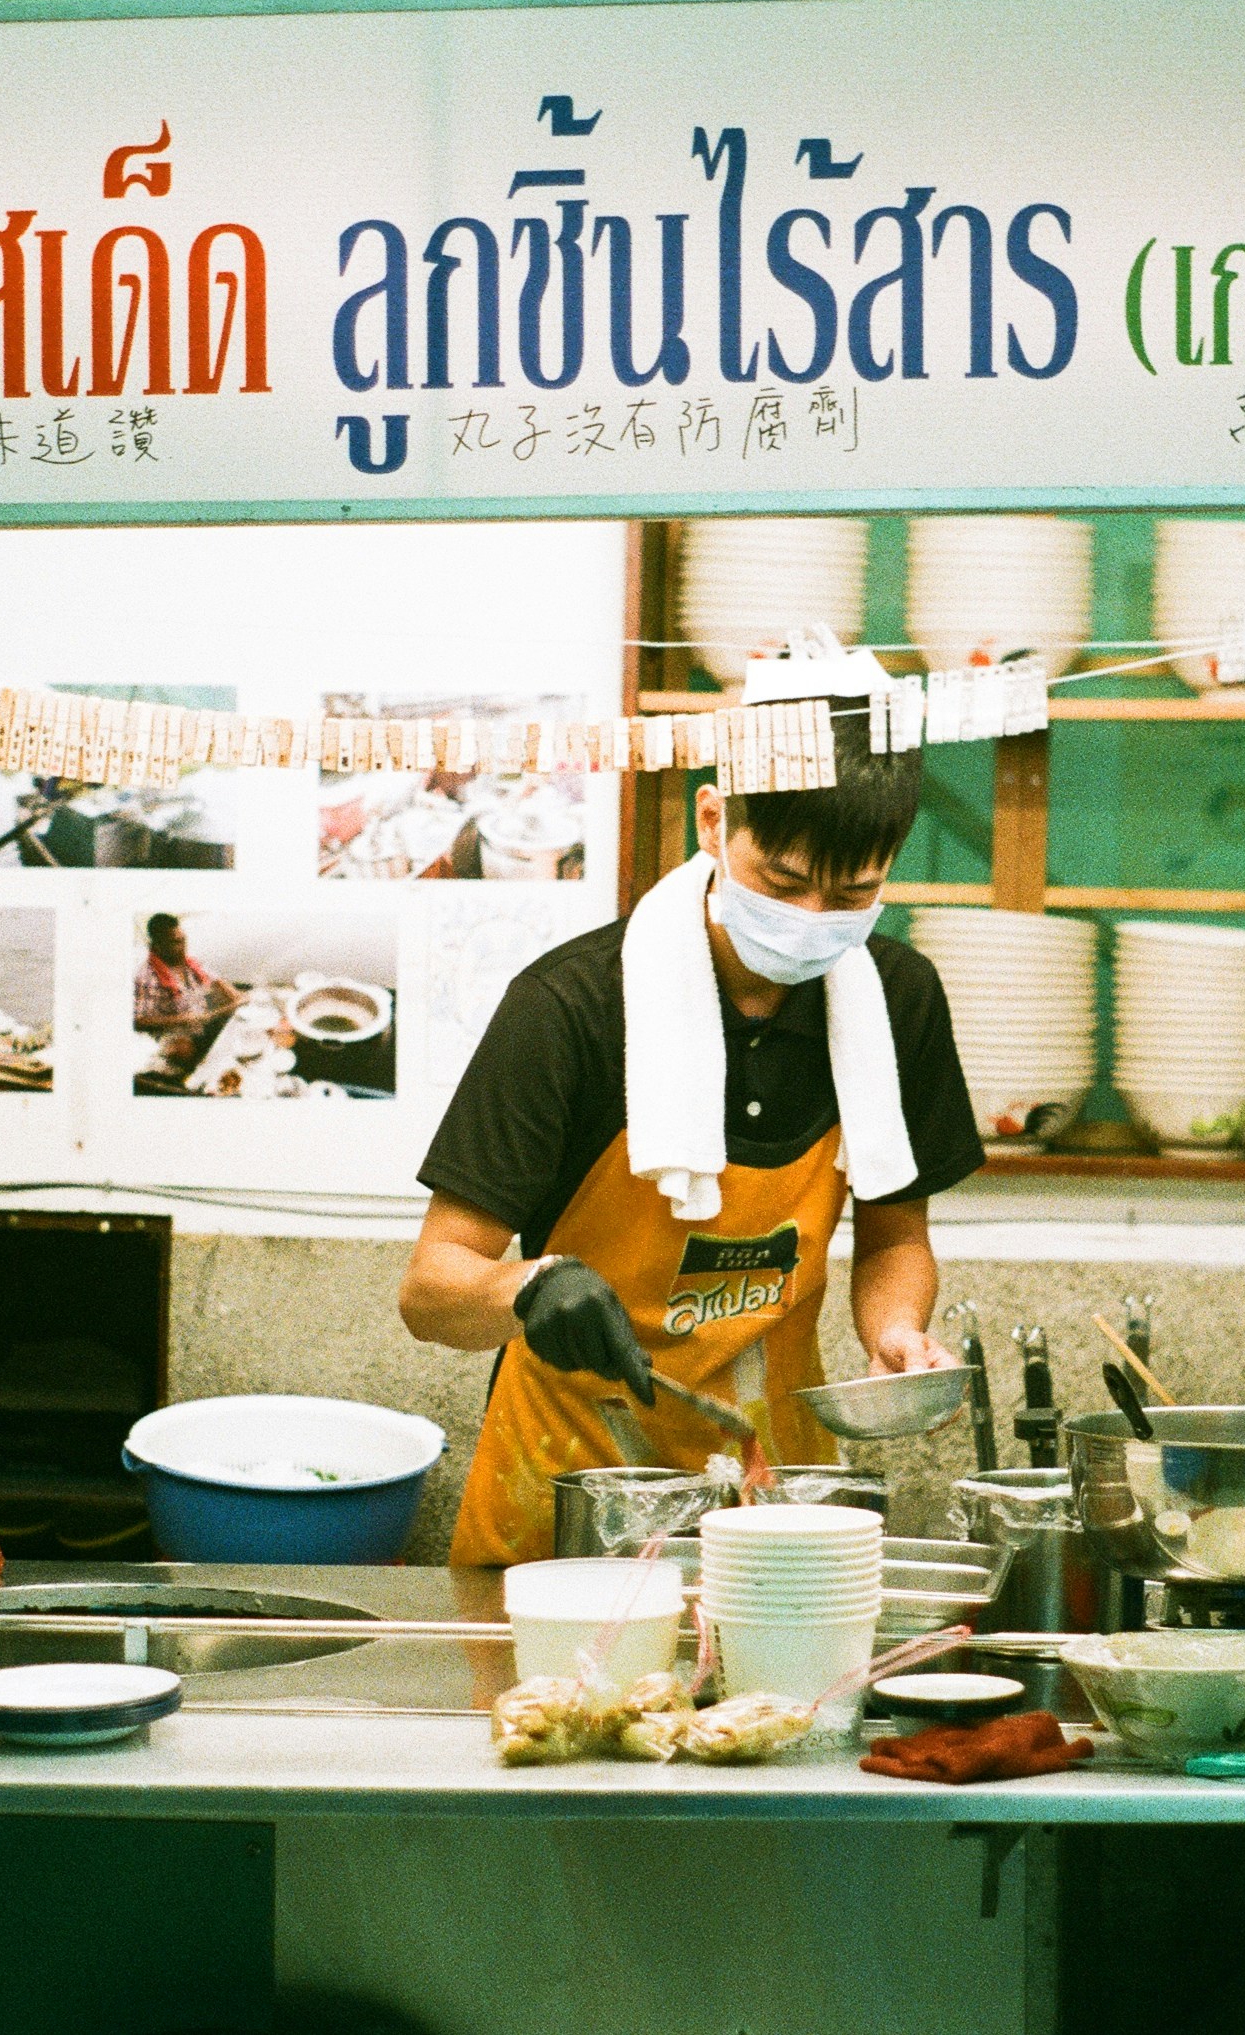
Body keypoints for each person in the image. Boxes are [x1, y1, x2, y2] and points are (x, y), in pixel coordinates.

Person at [400, 669, 986, 1565]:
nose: (810, 921)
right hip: (568, 1496)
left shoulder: (898, 1000)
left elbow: (895, 1235)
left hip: (771, 1493)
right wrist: (525, 1287)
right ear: (714, 820)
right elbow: (432, 1291)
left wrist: (896, 1331)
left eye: (851, 893)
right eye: (782, 882)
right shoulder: (571, 1008)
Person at [133, 912, 236, 1037]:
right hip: (175, 1039)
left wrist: (234, 996)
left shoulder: (192, 964)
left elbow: (225, 988)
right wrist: (183, 1019)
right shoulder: (146, 977)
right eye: (175, 943)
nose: (183, 947)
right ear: (158, 946)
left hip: (204, 1029)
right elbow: (138, 1021)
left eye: (183, 940)